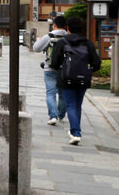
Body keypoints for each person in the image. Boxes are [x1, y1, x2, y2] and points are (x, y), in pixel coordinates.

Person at [50, 16, 101, 145]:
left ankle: (75, 132)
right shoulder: (88, 43)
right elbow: (97, 63)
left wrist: (60, 69)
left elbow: (54, 62)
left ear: (68, 28)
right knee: (77, 104)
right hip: (83, 78)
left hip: (67, 78)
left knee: (71, 105)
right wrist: (88, 70)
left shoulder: (63, 42)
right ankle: (76, 130)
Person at [32, 16, 68, 125]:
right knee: (62, 94)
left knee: (50, 93)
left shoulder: (49, 36)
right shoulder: (68, 37)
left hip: (50, 68)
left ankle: (53, 116)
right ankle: (61, 115)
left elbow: (36, 48)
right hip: (65, 69)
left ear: (55, 25)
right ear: (66, 26)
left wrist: (39, 40)